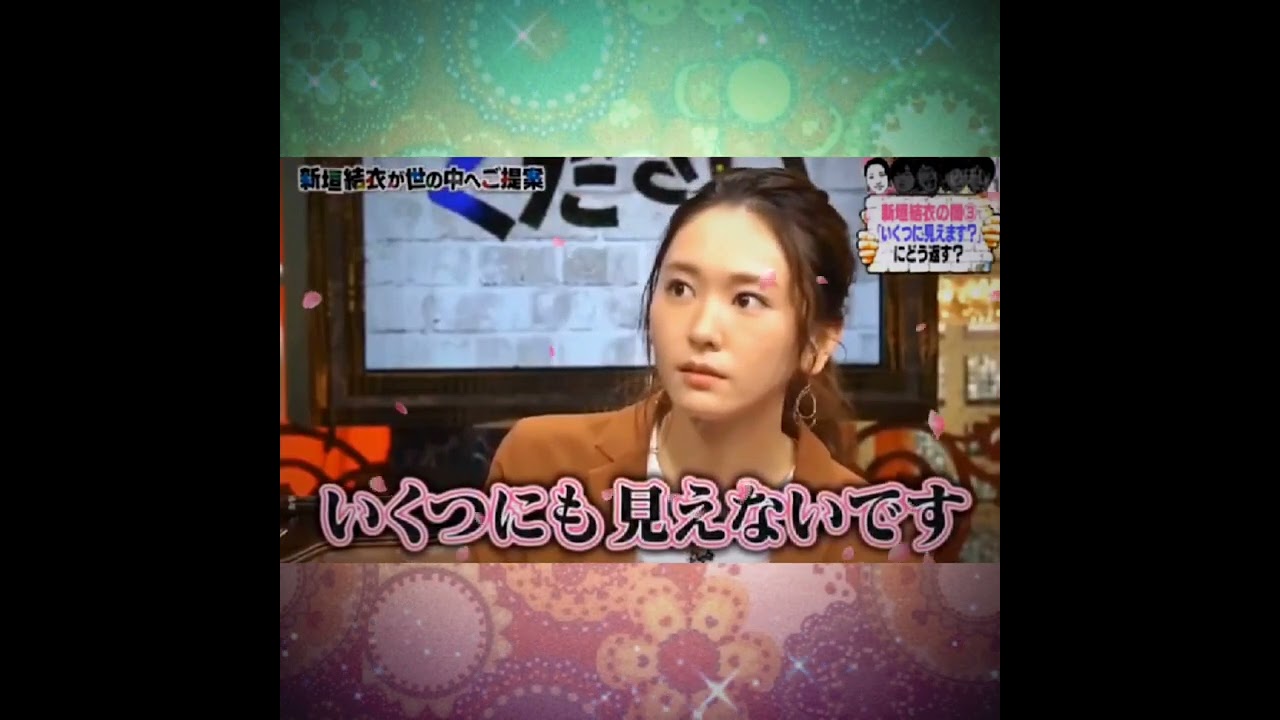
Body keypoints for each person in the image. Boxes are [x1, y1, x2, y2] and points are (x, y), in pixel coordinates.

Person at [470, 168, 937, 564]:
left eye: (746, 299)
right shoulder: (539, 464)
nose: (701, 329)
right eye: (680, 289)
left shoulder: (874, 542)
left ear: (816, 344)